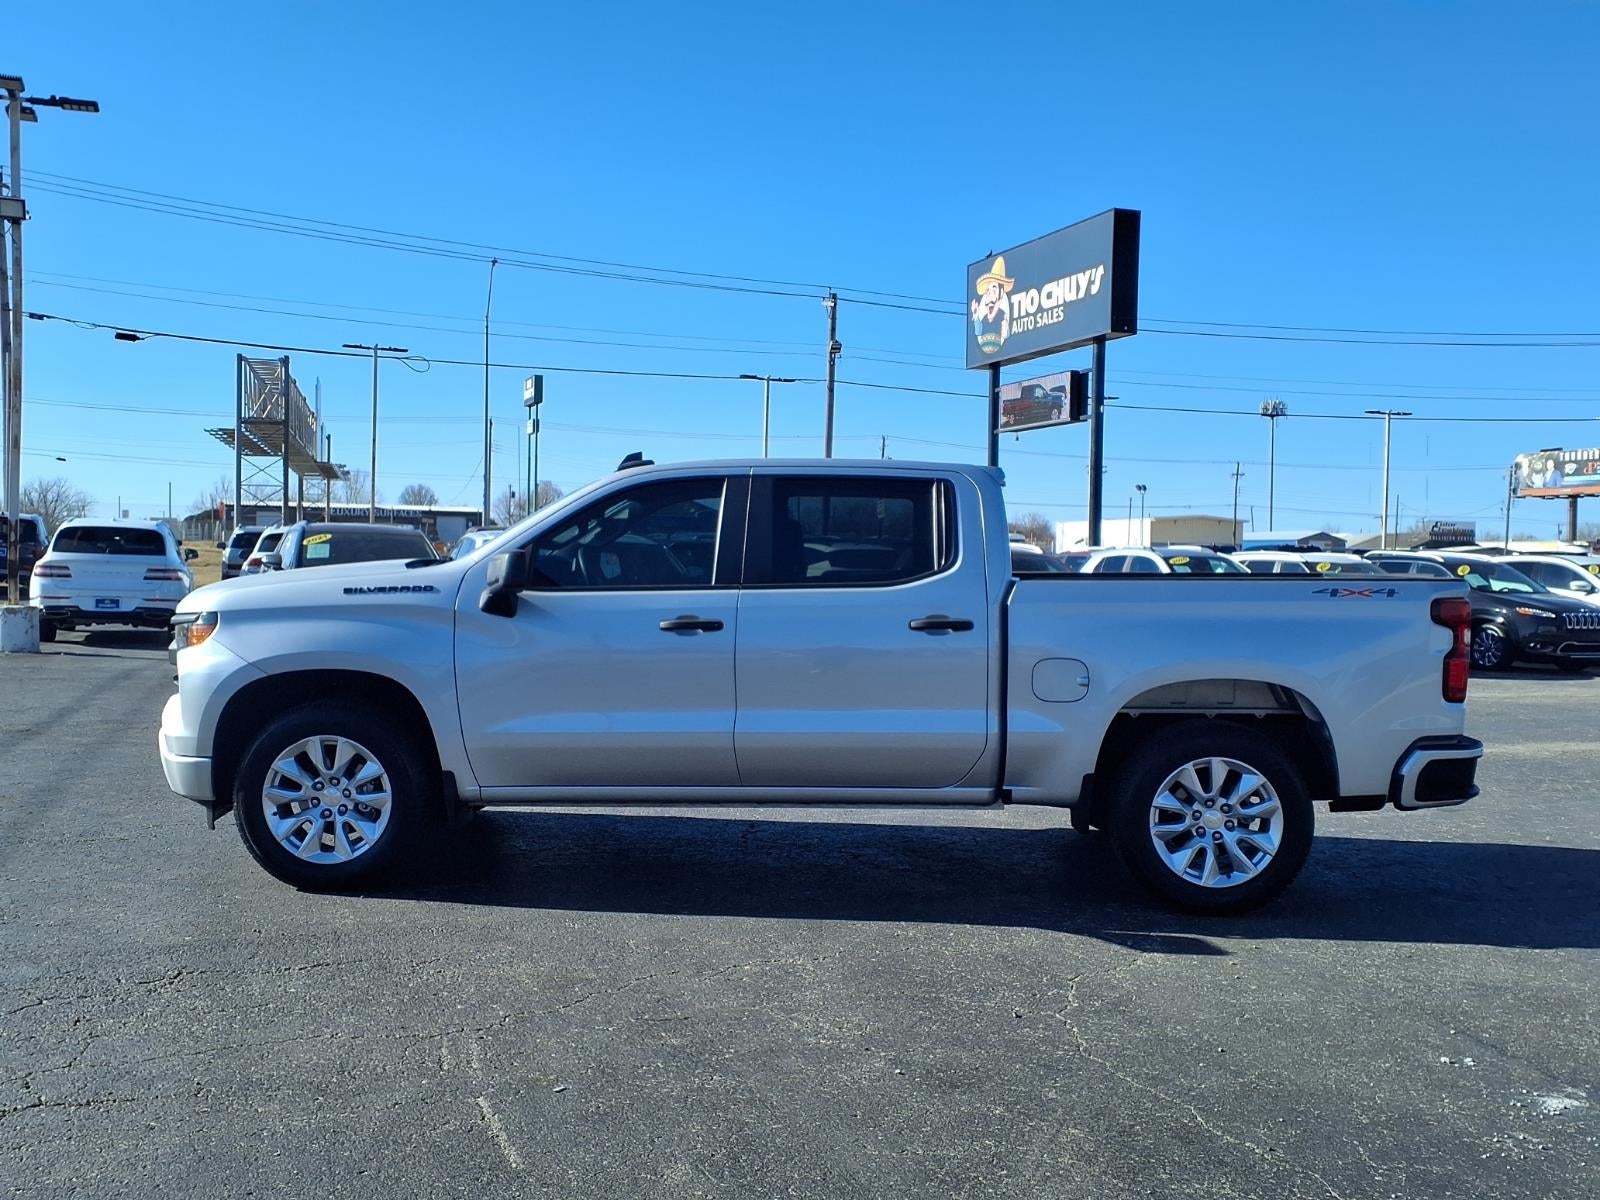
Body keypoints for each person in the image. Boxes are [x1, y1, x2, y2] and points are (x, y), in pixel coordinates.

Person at [971, 256, 1014, 355]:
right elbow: (978, 332)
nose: (989, 295)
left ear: (1001, 292)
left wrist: (1006, 334)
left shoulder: (1003, 317)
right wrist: (975, 314)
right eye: (987, 291)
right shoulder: (984, 318)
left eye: (994, 289)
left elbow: (1007, 339)